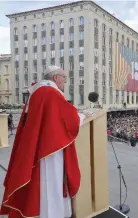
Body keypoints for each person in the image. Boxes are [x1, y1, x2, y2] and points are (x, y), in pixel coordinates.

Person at [0, 66, 90, 218]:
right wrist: (82, 116)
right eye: (64, 78)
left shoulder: (37, 92)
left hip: (39, 145)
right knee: (52, 181)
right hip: (51, 148)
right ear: (55, 77)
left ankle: (40, 212)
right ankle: (53, 214)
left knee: (42, 182)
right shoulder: (51, 92)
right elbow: (68, 119)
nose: (64, 82)